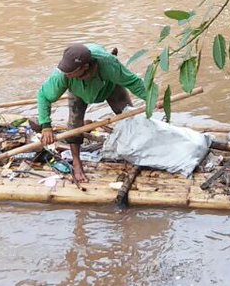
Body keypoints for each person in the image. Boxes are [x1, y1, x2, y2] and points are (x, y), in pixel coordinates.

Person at [35, 43, 148, 183]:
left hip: (109, 87)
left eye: (70, 72)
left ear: (85, 67)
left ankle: (140, 151)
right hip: (78, 92)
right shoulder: (63, 75)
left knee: (130, 118)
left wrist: (151, 99)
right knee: (74, 124)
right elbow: (43, 95)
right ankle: (76, 163)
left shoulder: (109, 64)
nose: (66, 74)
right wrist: (46, 126)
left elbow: (133, 82)